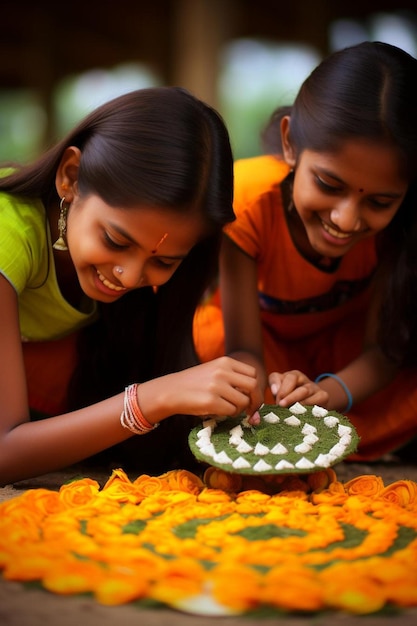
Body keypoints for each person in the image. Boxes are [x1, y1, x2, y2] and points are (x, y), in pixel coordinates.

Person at [0, 86, 262, 486]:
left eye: (163, 261)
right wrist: (154, 398)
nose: (127, 275)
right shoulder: (7, 234)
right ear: (70, 177)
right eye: (116, 241)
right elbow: (5, 453)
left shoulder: (124, 286)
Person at [194, 41, 417, 461]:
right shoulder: (247, 202)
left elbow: (385, 351)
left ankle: (340, 439)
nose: (347, 220)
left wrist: (326, 394)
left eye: (379, 202)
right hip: (264, 353)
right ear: (290, 144)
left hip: (347, 365)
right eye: (329, 186)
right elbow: (242, 346)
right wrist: (266, 393)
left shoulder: (404, 227)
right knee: (206, 335)